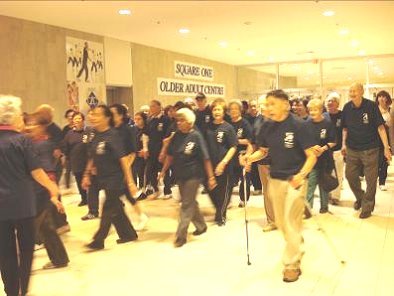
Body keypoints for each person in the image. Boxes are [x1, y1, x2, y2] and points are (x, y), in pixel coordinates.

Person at [245, 89, 317, 282]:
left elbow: (311, 156)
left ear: (285, 104)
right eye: (266, 104)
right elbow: (263, 151)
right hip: (274, 180)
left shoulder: (299, 126)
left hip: (295, 181)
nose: (268, 108)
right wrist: (249, 158)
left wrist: (301, 176)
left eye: (272, 104)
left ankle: (292, 263)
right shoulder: (266, 127)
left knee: (291, 223)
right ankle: (296, 242)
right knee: (282, 223)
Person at [0, 95, 59, 296]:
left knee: (5, 251)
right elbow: (36, 171)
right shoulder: (22, 141)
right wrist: (52, 187)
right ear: (13, 117)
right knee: (26, 249)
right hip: (23, 205)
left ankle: (11, 291)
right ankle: (23, 289)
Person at [82, 105, 138, 250]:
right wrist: (86, 175)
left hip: (116, 178)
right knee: (116, 208)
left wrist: (130, 181)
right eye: (92, 114)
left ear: (107, 118)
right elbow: (92, 157)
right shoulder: (95, 134)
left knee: (107, 208)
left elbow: (123, 159)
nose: (93, 117)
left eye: (97, 115)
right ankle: (128, 234)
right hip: (103, 177)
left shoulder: (113, 135)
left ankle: (98, 240)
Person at [159, 108, 217, 247]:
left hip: (194, 175)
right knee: (190, 202)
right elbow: (170, 156)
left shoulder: (196, 136)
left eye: (182, 120)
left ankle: (181, 235)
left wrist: (211, 177)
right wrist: (163, 171)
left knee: (186, 205)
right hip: (180, 175)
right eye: (177, 120)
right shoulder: (176, 136)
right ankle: (201, 226)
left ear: (190, 122)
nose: (179, 123)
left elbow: (206, 158)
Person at [24, 112, 69, 270]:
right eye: (28, 124)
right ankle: (59, 259)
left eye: (33, 124)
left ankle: (57, 259)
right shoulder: (34, 142)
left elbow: (47, 171)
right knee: (46, 227)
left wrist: (53, 194)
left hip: (40, 192)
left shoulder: (41, 144)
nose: (29, 127)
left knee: (39, 227)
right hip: (37, 191)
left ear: (42, 127)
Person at [342, 83, 392, 219]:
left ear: (361, 92)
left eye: (355, 90)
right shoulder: (347, 108)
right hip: (352, 148)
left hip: (370, 149)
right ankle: (360, 197)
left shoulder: (371, 106)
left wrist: (387, 148)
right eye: (350, 90)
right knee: (350, 175)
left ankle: (367, 207)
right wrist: (343, 144)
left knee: (371, 180)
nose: (352, 93)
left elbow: (381, 128)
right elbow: (345, 128)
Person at [110, 104, 148, 230]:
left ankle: (141, 216)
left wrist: (126, 167)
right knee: (118, 195)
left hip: (126, 166)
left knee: (126, 194)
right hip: (113, 168)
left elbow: (132, 151)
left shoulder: (127, 130)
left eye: (113, 113)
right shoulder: (110, 130)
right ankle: (112, 221)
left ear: (120, 115)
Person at [206, 98, 237, 226]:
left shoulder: (228, 128)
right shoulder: (207, 127)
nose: (216, 111)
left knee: (224, 191)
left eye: (219, 109)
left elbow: (233, 147)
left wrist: (223, 162)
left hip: (225, 165)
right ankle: (219, 208)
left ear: (224, 112)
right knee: (211, 190)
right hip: (210, 165)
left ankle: (221, 215)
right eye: (214, 109)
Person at [305, 99, 337, 214]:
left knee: (324, 184)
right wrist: (312, 148)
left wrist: (323, 148)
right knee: (310, 185)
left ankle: (324, 207)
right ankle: (308, 208)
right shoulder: (307, 124)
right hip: (312, 160)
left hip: (325, 160)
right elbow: (304, 141)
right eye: (310, 110)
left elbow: (334, 141)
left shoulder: (327, 124)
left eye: (315, 109)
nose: (312, 112)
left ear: (321, 110)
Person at [228, 100, 254, 208]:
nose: (233, 111)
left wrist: (236, 141)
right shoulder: (227, 123)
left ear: (240, 110)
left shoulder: (245, 123)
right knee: (228, 179)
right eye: (231, 109)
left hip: (242, 154)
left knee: (243, 178)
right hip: (230, 154)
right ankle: (227, 200)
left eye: (236, 109)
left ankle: (243, 199)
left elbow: (249, 140)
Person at [63, 112, 90, 207]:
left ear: (83, 120)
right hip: (76, 162)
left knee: (91, 182)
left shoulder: (88, 131)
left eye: (79, 118)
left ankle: (92, 199)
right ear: (72, 121)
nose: (77, 120)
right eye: (75, 119)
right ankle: (84, 199)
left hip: (88, 162)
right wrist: (66, 158)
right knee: (79, 181)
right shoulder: (69, 134)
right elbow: (66, 148)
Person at [145, 100, 171, 199]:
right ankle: (156, 190)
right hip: (152, 150)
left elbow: (167, 136)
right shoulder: (150, 120)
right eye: (150, 106)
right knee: (151, 170)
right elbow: (146, 135)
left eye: (153, 106)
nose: (151, 108)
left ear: (160, 107)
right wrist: (145, 149)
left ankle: (167, 191)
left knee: (165, 170)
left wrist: (164, 151)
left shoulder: (166, 119)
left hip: (162, 150)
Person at [325, 92, 344, 204]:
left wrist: (345, 146)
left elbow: (346, 131)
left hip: (338, 149)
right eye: (328, 101)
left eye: (333, 101)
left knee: (338, 174)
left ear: (337, 103)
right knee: (326, 174)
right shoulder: (323, 116)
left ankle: (336, 197)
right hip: (325, 150)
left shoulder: (342, 115)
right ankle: (327, 195)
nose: (330, 103)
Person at [375, 90, 393, 191]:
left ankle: (382, 182)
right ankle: (376, 177)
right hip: (375, 139)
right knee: (376, 161)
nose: (381, 98)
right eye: (379, 96)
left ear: (387, 98)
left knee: (385, 161)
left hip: (388, 139)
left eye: (384, 96)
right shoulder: (374, 110)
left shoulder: (390, 110)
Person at [245, 99, 262, 195]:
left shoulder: (261, 118)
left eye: (255, 106)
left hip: (260, 148)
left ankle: (260, 186)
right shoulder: (246, 119)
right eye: (251, 106)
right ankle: (257, 187)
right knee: (253, 169)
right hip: (250, 146)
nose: (253, 108)